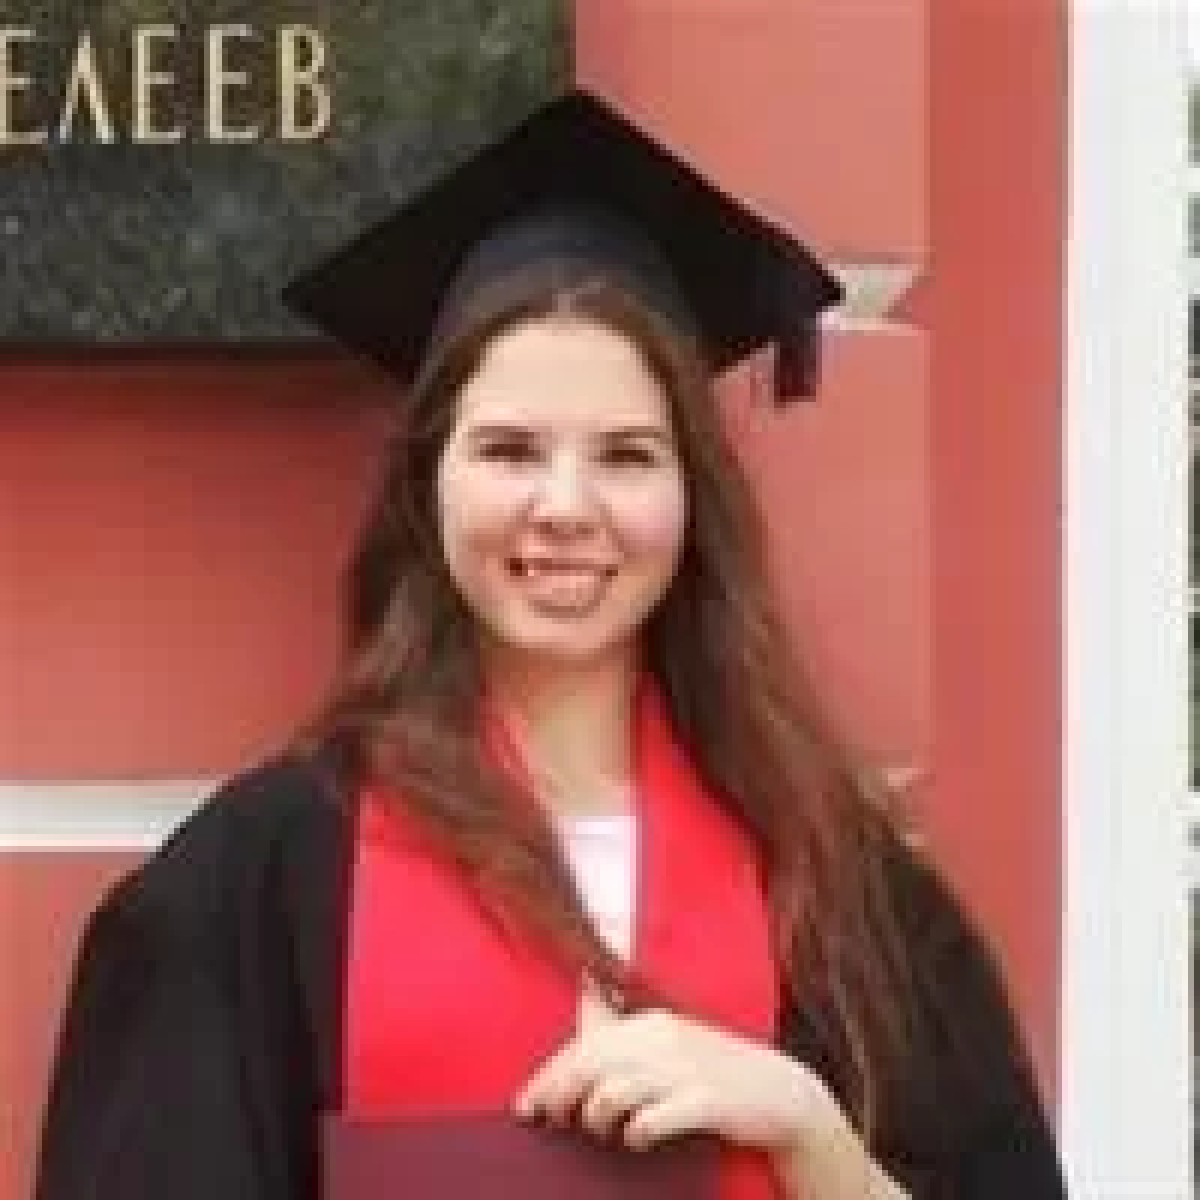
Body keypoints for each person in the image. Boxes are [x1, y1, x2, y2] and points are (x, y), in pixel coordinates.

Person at [32, 88, 1068, 1200]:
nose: (565, 507)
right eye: (509, 450)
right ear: (428, 486)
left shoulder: (847, 901)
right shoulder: (255, 888)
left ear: (693, 501)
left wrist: (813, 1140)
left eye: (626, 455)